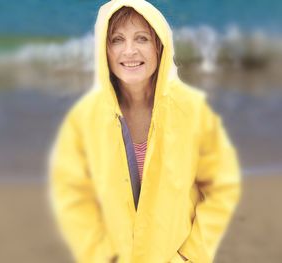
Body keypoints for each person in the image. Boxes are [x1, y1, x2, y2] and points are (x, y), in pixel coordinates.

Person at [49, 0, 241, 262]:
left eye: (142, 39)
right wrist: (101, 256)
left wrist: (190, 256)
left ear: (160, 46)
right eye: (117, 40)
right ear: (103, 50)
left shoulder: (193, 110)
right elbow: (72, 195)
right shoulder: (83, 118)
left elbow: (222, 185)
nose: (129, 51)